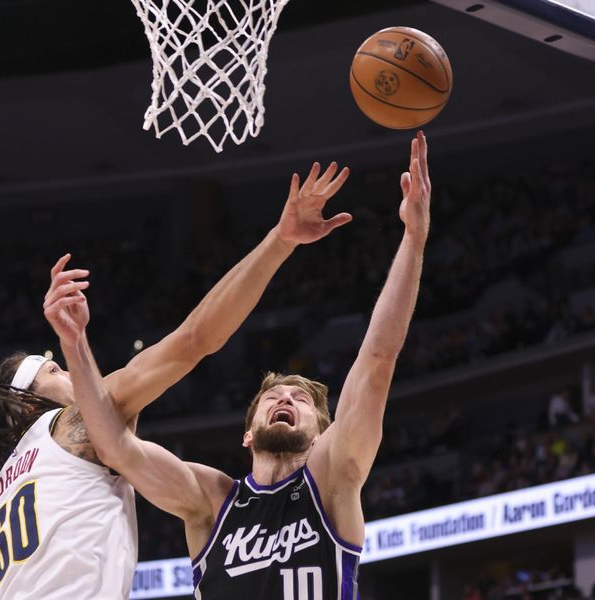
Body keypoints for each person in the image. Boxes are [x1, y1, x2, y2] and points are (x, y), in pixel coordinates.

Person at [0, 160, 352, 599]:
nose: (74, 378)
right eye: (54, 372)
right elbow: (196, 338)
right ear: (26, 406)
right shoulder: (72, 427)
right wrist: (280, 241)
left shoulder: (2, 493)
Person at [50, 131, 431, 598]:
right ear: (247, 433)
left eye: (301, 400)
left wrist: (414, 239)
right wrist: (74, 342)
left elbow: (377, 358)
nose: (286, 398)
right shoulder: (212, 501)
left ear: (321, 434)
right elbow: (114, 447)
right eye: (273, 396)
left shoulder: (332, 478)